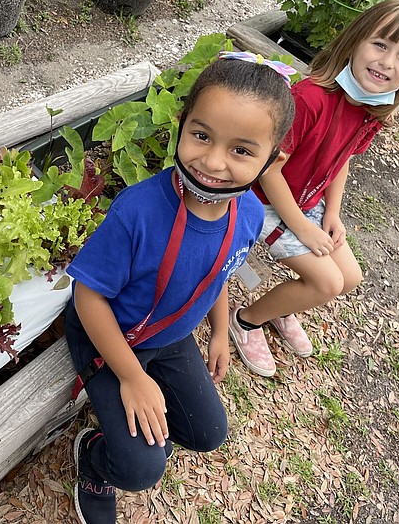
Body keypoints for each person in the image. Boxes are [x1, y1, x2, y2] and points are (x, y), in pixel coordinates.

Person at [64, 53, 297, 524]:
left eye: (242, 150)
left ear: (273, 161)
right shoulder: (139, 211)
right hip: (111, 335)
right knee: (140, 469)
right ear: (181, 123)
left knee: (207, 433)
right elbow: (88, 297)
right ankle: (94, 459)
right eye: (202, 135)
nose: (212, 161)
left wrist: (218, 331)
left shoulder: (248, 214)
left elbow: (222, 272)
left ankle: (125, 425)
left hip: (168, 338)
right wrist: (131, 377)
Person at [229, 0, 399, 377]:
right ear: (357, 40)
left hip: (307, 200)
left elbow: (342, 159)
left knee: (350, 279)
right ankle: (245, 320)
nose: (387, 63)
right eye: (381, 44)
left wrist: (331, 212)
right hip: (262, 202)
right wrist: (304, 227)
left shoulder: (371, 106)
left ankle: (282, 307)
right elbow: (266, 172)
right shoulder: (310, 98)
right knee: (327, 282)